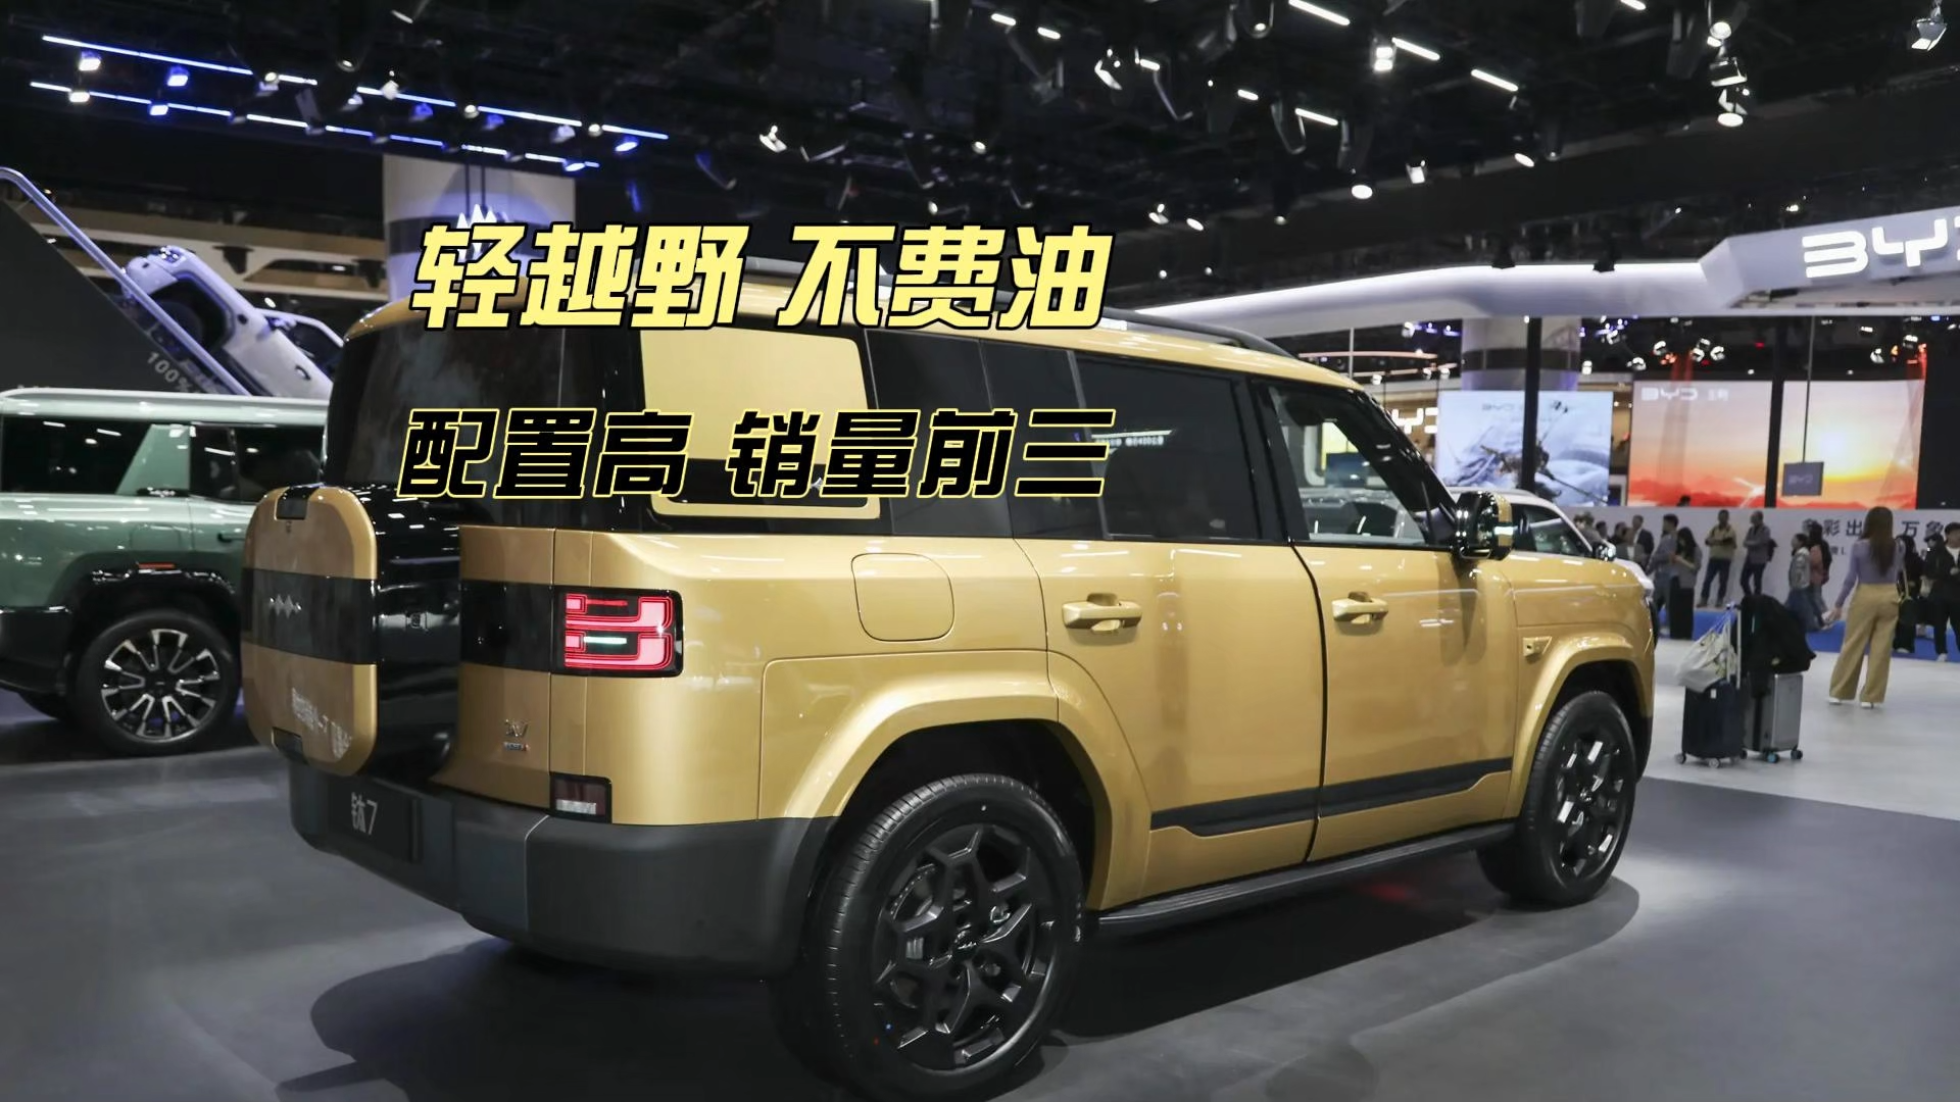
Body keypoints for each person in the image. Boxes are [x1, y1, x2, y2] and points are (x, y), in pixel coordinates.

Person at [1828, 506, 1906, 708]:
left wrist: (1838, 604)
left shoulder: (1859, 546)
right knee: (1881, 649)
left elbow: (1850, 579)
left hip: (1865, 595)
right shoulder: (1899, 546)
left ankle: (1839, 692)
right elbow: (1897, 572)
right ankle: (1871, 697)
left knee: (1853, 644)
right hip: (1890, 596)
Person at [1929, 523, 1960, 662]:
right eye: (1955, 533)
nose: (1958, 536)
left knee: (1958, 625)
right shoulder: (1937, 550)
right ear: (1947, 535)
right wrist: (1948, 572)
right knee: (1939, 625)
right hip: (1940, 593)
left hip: (1958, 595)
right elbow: (1928, 570)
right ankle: (1941, 652)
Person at [1646, 515, 1681, 637]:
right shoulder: (1666, 538)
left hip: (1669, 575)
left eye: (1665, 523)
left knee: (1669, 604)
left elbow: (1668, 556)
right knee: (1655, 603)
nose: (1663, 525)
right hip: (1660, 575)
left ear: (1670, 523)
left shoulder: (1675, 539)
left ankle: (1668, 627)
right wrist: (1648, 571)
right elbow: (1659, 557)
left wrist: (1657, 558)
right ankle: (1653, 626)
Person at [1702, 509, 1738, 607]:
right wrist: (1718, 541)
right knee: (1707, 580)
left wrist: (1714, 541)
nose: (1721, 519)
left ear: (1727, 518)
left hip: (1725, 560)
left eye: (1724, 517)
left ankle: (1720, 599)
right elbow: (1707, 541)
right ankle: (1704, 599)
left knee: (1723, 581)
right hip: (1713, 559)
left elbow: (1727, 541)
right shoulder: (1714, 529)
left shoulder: (1730, 530)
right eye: (1720, 517)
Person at [1785, 531, 1820, 632]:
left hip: (1799, 585)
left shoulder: (1801, 554)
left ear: (1800, 542)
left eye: (1794, 539)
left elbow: (1798, 569)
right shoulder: (1802, 552)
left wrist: (1796, 582)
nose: (1792, 541)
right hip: (1799, 585)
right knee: (1800, 606)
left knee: (1802, 607)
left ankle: (1811, 626)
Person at [1740, 511, 1773, 598]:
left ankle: (1757, 601)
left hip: (1760, 560)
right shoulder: (1751, 529)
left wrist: (1750, 543)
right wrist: (1753, 543)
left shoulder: (1765, 530)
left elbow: (1761, 542)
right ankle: (1750, 598)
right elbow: (1745, 542)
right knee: (1743, 580)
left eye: (1753, 518)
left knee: (1757, 582)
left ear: (1759, 519)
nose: (1751, 519)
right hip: (1749, 559)